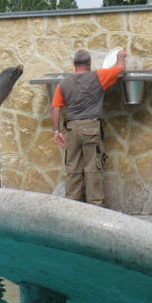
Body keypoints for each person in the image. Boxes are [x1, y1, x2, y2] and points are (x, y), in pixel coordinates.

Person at [51, 48, 127, 206]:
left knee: (73, 167)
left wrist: (57, 131)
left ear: (74, 64)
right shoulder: (98, 77)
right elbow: (120, 69)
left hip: (71, 129)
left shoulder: (63, 83)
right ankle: (95, 206)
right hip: (91, 128)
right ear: (90, 63)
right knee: (93, 167)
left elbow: (55, 108)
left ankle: (71, 206)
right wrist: (120, 56)